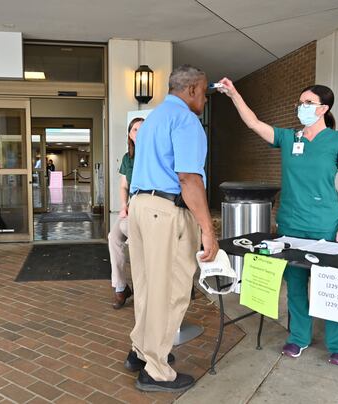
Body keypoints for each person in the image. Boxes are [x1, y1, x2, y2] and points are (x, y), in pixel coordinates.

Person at [217, 78, 338, 367]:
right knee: (295, 284)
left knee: (329, 285)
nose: (301, 107)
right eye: (300, 102)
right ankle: (298, 338)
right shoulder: (290, 138)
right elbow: (254, 123)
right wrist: (233, 94)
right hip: (291, 224)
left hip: (325, 225)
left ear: (323, 109)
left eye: (308, 103)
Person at [126, 65, 219, 392]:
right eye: (204, 92)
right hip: (165, 212)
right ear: (192, 89)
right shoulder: (186, 121)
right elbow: (189, 178)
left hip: (139, 208)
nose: (205, 99)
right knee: (170, 290)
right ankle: (155, 371)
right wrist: (208, 228)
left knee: (148, 285)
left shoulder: (152, 120)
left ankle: (141, 352)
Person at [108, 117, 143, 309]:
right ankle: (121, 287)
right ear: (130, 134)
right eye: (135, 129)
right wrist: (123, 205)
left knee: (130, 235)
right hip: (131, 204)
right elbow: (124, 185)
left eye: (142, 129)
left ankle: (144, 287)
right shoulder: (127, 158)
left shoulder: (154, 154)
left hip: (147, 205)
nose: (139, 132)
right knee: (113, 237)